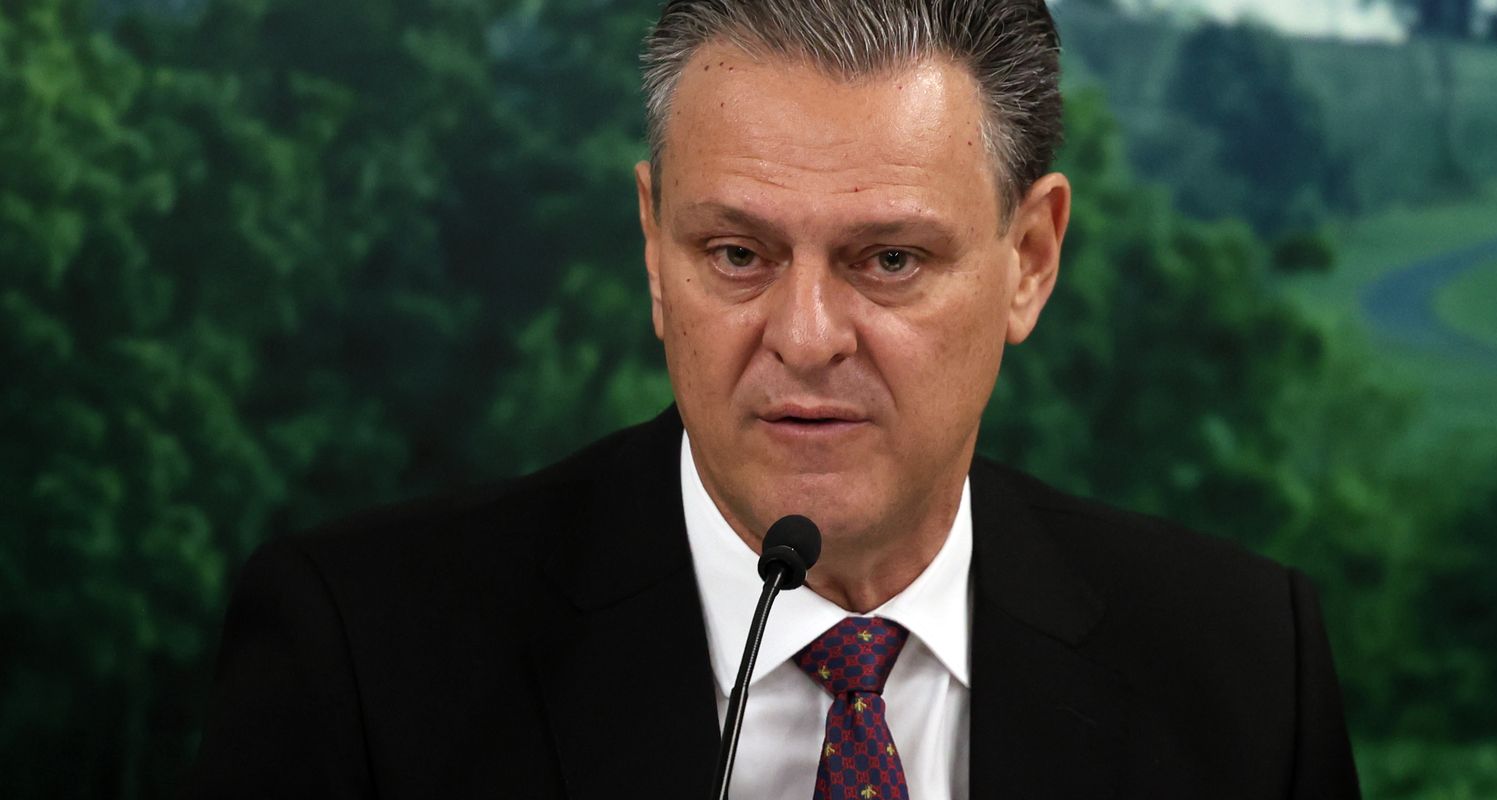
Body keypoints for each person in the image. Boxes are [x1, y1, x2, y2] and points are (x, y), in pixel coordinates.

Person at [189, 1, 1361, 798]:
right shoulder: (360, 659)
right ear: (653, 248)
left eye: (887, 259)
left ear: (1030, 259)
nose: (803, 338)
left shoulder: (1247, 671)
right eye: (737, 254)